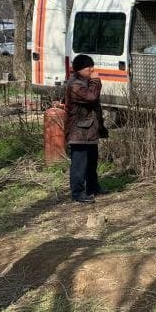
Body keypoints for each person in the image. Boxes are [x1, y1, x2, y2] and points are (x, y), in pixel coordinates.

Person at [65, 54, 109, 203]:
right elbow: (91, 97)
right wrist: (96, 81)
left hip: (89, 131)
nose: (92, 69)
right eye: (89, 67)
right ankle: (77, 193)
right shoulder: (75, 85)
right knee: (79, 165)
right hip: (78, 132)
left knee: (92, 162)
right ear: (80, 69)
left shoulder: (85, 81)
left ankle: (93, 187)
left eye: (92, 66)